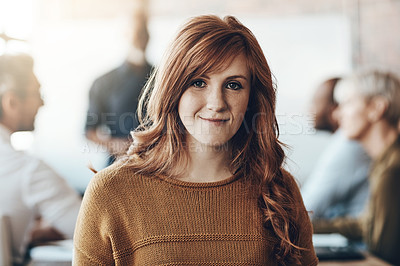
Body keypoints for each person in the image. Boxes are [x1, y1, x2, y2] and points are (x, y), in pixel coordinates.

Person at [74, 15, 318, 265]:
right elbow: (90, 129)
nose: (216, 103)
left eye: (233, 85)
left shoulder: (278, 189)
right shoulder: (110, 192)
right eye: (198, 82)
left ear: (251, 98)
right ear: (174, 89)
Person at [0, 53, 82, 264]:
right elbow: (92, 229)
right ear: (11, 102)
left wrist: (30, 233)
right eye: (36, 93)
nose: (43, 103)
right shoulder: (28, 170)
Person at [313, 70, 400, 265]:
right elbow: (365, 225)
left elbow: (383, 252)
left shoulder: (392, 169)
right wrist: (304, 226)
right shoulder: (383, 161)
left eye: (348, 103)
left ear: (376, 108)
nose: (336, 113)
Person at [85, 9, 153, 165]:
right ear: (125, 34)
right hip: (119, 165)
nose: (141, 37)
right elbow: (90, 131)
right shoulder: (104, 82)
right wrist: (119, 145)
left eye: (144, 31)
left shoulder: (163, 78)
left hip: (158, 166)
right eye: (136, 31)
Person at [301, 78, 371, 219]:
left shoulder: (348, 144)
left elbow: (306, 209)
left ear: (333, 109)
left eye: (315, 102)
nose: (308, 109)